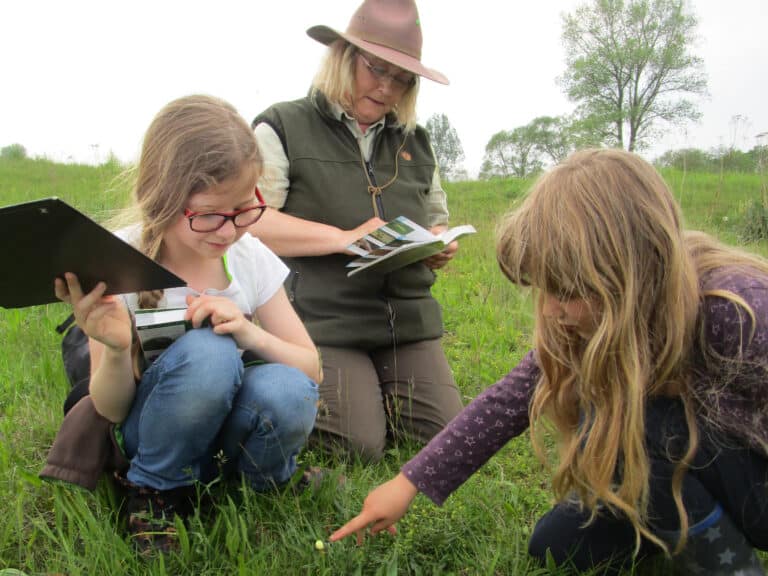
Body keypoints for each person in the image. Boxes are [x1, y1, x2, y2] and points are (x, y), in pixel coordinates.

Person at [330, 149, 768, 575]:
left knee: (642, 415)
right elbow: (506, 402)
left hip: (750, 482)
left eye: (569, 290)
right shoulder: (589, 317)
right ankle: (671, 512)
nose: (554, 311)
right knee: (557, 548)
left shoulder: (739, 310)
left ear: (630, 273)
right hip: (673, 464)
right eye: (545, 287)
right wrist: (408, 484)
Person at [52, 94, 322, 552]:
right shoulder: (118, 260)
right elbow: (112, 409)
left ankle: (260, 486)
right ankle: (155, 492)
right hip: (150, 432)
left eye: (243, 209)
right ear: (163, 196)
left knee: (289, 388)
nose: (228, 229)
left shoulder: (249, 255)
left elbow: (310, 368)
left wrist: (247, 330)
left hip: (224, 434)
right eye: (210, 215)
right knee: (208, 353)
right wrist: (118, 349)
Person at [250, 0, 464, 462]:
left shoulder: (416, 141)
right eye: (376, 69)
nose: (387, 87)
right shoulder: (283, 126)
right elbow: (253, 223)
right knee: (358, 446)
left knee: (444, 440)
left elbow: (434, 217)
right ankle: (340, 396)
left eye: (402, 78)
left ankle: (377, 395)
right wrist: (340, 238)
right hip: (323, 319)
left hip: (405, 320)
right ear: (343, 57)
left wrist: (437, 244)